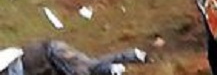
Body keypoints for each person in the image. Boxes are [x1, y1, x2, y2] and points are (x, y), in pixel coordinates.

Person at [3, 40, 147, 75]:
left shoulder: (11, 66)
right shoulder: (9, 60)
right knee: (89, 65)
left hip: (54, 55)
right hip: (54, 53)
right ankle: (132, 55)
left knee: (86, 70)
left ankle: (113, 69)